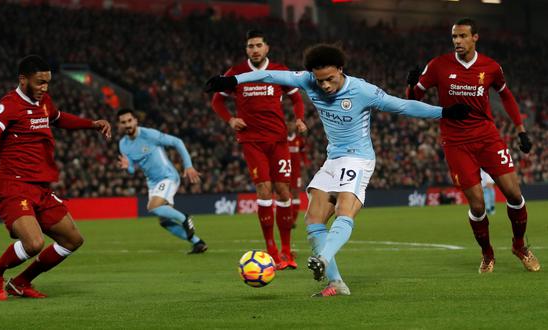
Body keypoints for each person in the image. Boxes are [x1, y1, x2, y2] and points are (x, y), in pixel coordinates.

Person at [206, 44, 469, 297]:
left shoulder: (362, 90)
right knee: (313, 220)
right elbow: (270, 74)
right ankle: (337, 283)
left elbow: (403, 105)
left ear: (341, 69)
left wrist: (444, 112)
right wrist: (233, 82)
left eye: (330, 79)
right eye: (320, 81)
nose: (325, 86)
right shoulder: (308, 80)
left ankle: (322, 257)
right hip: (333, 159)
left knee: (344, 209)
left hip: (359, 159)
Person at [0, 55, 112, 301]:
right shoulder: (9, 105)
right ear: (23, 80)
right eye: (39, 82)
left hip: (41, 187)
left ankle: (21, 282)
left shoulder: (44, 101)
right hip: (13, 185)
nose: (44, 88)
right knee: (33, 243)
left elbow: (58, 118)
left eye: (47, 82)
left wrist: (92, 124)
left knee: (72, 240)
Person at [406, 18, 540, 273]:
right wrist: (412, 85)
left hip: (488, 137)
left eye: (462, 36)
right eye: (454, 37)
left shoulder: (490, 67)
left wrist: (521, 130)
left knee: (514, 194)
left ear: (475, 37)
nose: (457, 41)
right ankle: (487, 254)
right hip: (456, 143)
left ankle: (519, 246)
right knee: (477, 205)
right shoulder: (438, 65)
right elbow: (414, 101)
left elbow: (506, 96)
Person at [211, 29, 306, 270]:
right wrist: (231, 120)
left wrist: (299, 119)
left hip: (279, 139)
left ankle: (287, 250)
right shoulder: (236, 73)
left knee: (284, 191)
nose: (254, 49)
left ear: (266, 48)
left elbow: (296, 98)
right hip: (252, 141)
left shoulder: (280, 71)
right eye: (250, 46)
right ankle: (271, 250)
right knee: (264, 191)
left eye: (258, 45)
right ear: (247, 50)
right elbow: (216, 100)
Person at [116, 109, 207, 254]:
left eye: (129, 121)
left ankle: (185, 219)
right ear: (119, 125)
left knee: (153, 207)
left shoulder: (149, 135)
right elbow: (133, 168)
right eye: (123, 122)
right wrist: (128, 167)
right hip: (152, 183)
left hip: (168, 176)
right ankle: (197, 243)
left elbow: (177, 142)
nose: (127, 125)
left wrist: (188, 165)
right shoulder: (123, 145)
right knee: (164, 221)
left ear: (135, 121)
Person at [287, 120, 309, 225]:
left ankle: (293, 220)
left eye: (291, 125)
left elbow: (304, 155)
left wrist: (305, 165)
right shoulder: (283, 140)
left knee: (295, 194)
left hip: (296, 173)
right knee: (285, 194)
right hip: (285, 171)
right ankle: (286, 217)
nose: (290, 127)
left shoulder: (299, 140)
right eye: (288, 125)